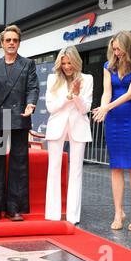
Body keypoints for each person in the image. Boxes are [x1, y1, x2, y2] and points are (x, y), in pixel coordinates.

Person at [0, 25, 39, 222]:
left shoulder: (28, 64)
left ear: (19, 42)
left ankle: (15, 208)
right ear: (2, 43)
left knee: (19, 163)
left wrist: (31, 104)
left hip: (20, 117)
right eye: (8, 40)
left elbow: (33, 87)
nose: (11, 43)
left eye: (15, 40)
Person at [92, 31, 131, 231]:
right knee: (115, 166)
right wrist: (102, 108)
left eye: (119, 48)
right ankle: (118, 212)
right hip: (114, 121)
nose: (116, 53)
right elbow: (107, 92)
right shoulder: (108, 66)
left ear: (128, 46)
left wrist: (107, 108)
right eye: (113, 49)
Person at [44, 46, 93, 225]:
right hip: (57, 125)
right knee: (54, 169)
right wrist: (69, 95)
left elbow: (85, 109)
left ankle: (73, 216)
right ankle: (52, 213)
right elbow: (51, 107)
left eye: (69, 62)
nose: (66, 66)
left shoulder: (87, 79)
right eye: (63, 63)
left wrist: (78, 96)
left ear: (76, 61)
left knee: (76, 171)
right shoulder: (52, 79)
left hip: (78, 126)